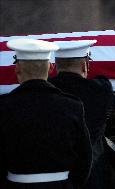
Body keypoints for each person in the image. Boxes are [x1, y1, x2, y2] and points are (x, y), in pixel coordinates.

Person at [0, 38, 92, 189]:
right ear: (50, 68)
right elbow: (84, 160)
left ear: (17, 69)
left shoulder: (3, 107)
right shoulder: (72, 106)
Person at [48, 40, 115, 189]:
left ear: (55, 66)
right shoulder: (100, 91)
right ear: (85, 65)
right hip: (92, 178)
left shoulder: (46, 89)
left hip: (53, 178)